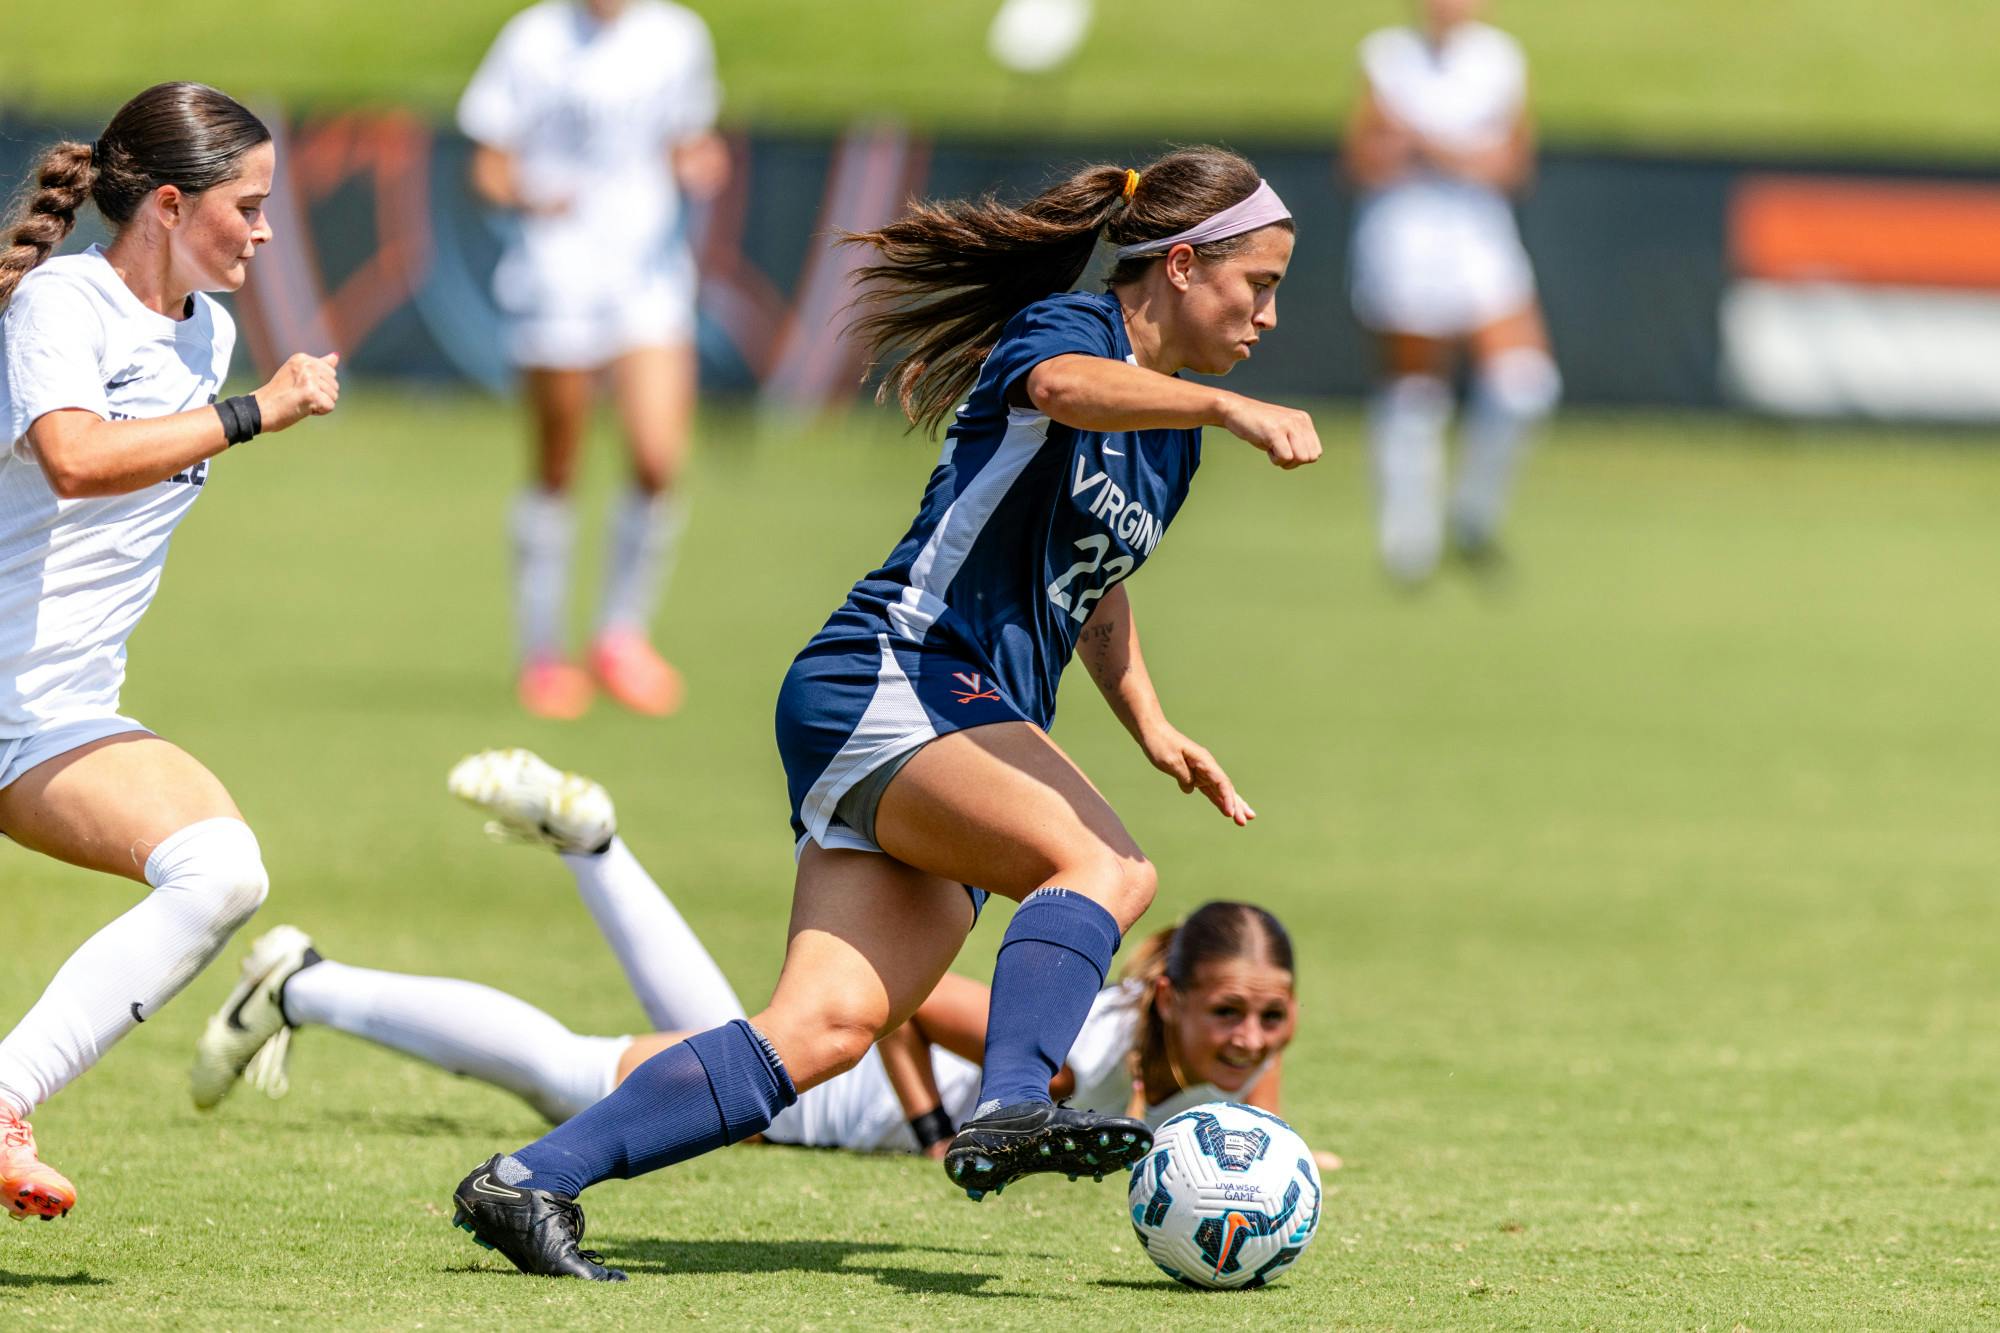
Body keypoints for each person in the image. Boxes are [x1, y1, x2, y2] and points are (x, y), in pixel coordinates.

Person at [438, 143, 1320, 1281]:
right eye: (1260, 285)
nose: (1268, 316)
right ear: (1184, 264)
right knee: (1105, 866)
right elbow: (1055, 396)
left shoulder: (1169, 439)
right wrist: (1227, 404)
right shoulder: (1071, 332)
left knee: (822, 1030)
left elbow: (1093, 578)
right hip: (893, 671)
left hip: (945, 717)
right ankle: (1011, 1103)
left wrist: (1149, 721)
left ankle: (528, 1181)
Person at [192, 751, 1335, 1177]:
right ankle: (301, 982)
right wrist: (930, 1123)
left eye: (1269, 1020)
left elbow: (1244, 1098)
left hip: (809, 1079)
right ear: (1168, 992)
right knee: (567, 1075)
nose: (1246, 1043)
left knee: (641, 1037)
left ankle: (594, 846)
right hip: (815, 1097)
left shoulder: (1219, 1051)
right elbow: (906, 994)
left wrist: (1286, 1156)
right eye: (1230, 1013)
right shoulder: (1074, 1028)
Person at [0, 82, 341, 1221]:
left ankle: (5, 1095)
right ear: (163, 204)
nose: (263, 230)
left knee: (223, 869)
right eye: (246, 206)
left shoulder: (212, 328)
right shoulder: (63, 302)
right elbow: (76, 461)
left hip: (58, 709)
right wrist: (257, 413)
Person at [458, 0, 731, 720]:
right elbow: (487, 165)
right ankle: (544, 653)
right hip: (554, 278)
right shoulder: (533, 37)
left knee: (656, 459)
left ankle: (620, 637)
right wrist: (530, 196)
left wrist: (699, 162)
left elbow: (683, 141)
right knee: (557, 466)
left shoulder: (678, 35)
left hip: (648, 280)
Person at [1344, 0, 1561, 583]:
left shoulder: (1501, 58)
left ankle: (1472, 515)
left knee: (1524, 386)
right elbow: (1363, 159)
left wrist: (1426, 143)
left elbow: (1514, 162)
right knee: (1416, 391)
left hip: (1478, 237)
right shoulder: (1386, 55)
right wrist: (1458, 151)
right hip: (1405, 237)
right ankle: (1407, 541)